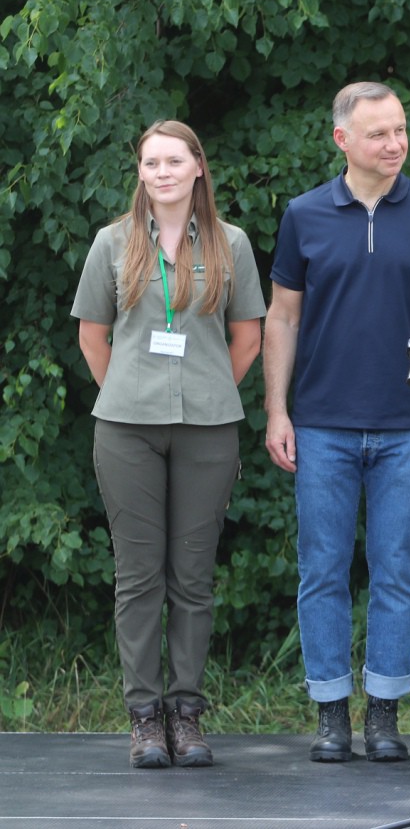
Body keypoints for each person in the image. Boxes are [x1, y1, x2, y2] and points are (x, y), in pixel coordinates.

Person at [263, 81, 410, 763]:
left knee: (396, 571)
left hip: (406, 426)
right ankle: (331, 711)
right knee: (322, 569)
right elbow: (283, 316)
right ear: (342, 140)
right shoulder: (304, 215)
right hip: (322, 423)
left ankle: (383, 709)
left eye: (401, 129)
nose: (394, 143)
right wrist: (275, 409)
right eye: (379, 132)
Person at [71, 120, 265, 769]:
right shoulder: (112, 243)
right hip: (126, 428)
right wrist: (132, 393)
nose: (162, 172)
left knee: (192, 576)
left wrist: (204, 393)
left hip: (208, 430)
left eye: (174, 161)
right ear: (141, 173)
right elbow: (93, 337)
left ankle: (186, 711)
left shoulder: (230, 242)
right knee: (137, 576)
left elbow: (248, 339)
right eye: (151, 162)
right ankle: (145, 717)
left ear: (198, 168)